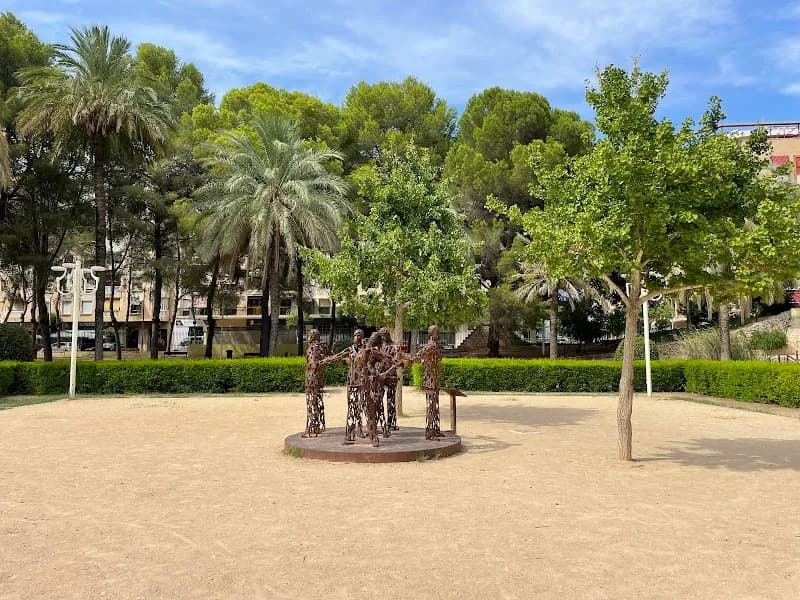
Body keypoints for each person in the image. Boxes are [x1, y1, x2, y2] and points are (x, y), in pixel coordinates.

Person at [324, 329, 365, 442]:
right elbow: (337, 357)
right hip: (352, 380)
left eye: (359, 335)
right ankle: (350, 432)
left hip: (362, 381)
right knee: (352, 406)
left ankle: (360, 429)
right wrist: (325, 360)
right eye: (355, 335)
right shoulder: (350, 350)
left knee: (360, 405)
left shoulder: (365, 350)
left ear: (362, 337)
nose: (356, 337)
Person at [412, 325, 444, 440]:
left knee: (435, 406)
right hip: (430, 381)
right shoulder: (430, 346)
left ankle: (435, 429)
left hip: (435, 380)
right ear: (432, 334)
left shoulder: (435, 346)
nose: (439, 334)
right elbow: (416, 357)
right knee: (431, 406)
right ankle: (429, 432)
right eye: (437, 332)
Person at [301, 329, 327, 438]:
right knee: (317, 401)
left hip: (312, 379)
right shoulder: (320, 348)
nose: (308, 337)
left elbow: (313, 363)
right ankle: (318, 424)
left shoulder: (313, 348)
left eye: (310, 335)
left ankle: (313, 426)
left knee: (312, 402)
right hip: (317, 379)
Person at [379, 327, 401, 431]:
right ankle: (380, 423)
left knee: (391, 400)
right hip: (380, 376)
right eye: (382, 335)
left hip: (391, 376)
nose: (384, 336)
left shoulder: (394, 346)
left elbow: (397, 361)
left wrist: (387, 372)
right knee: (378, 399)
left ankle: (391, 423)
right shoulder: (378, 346)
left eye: (386, 334)